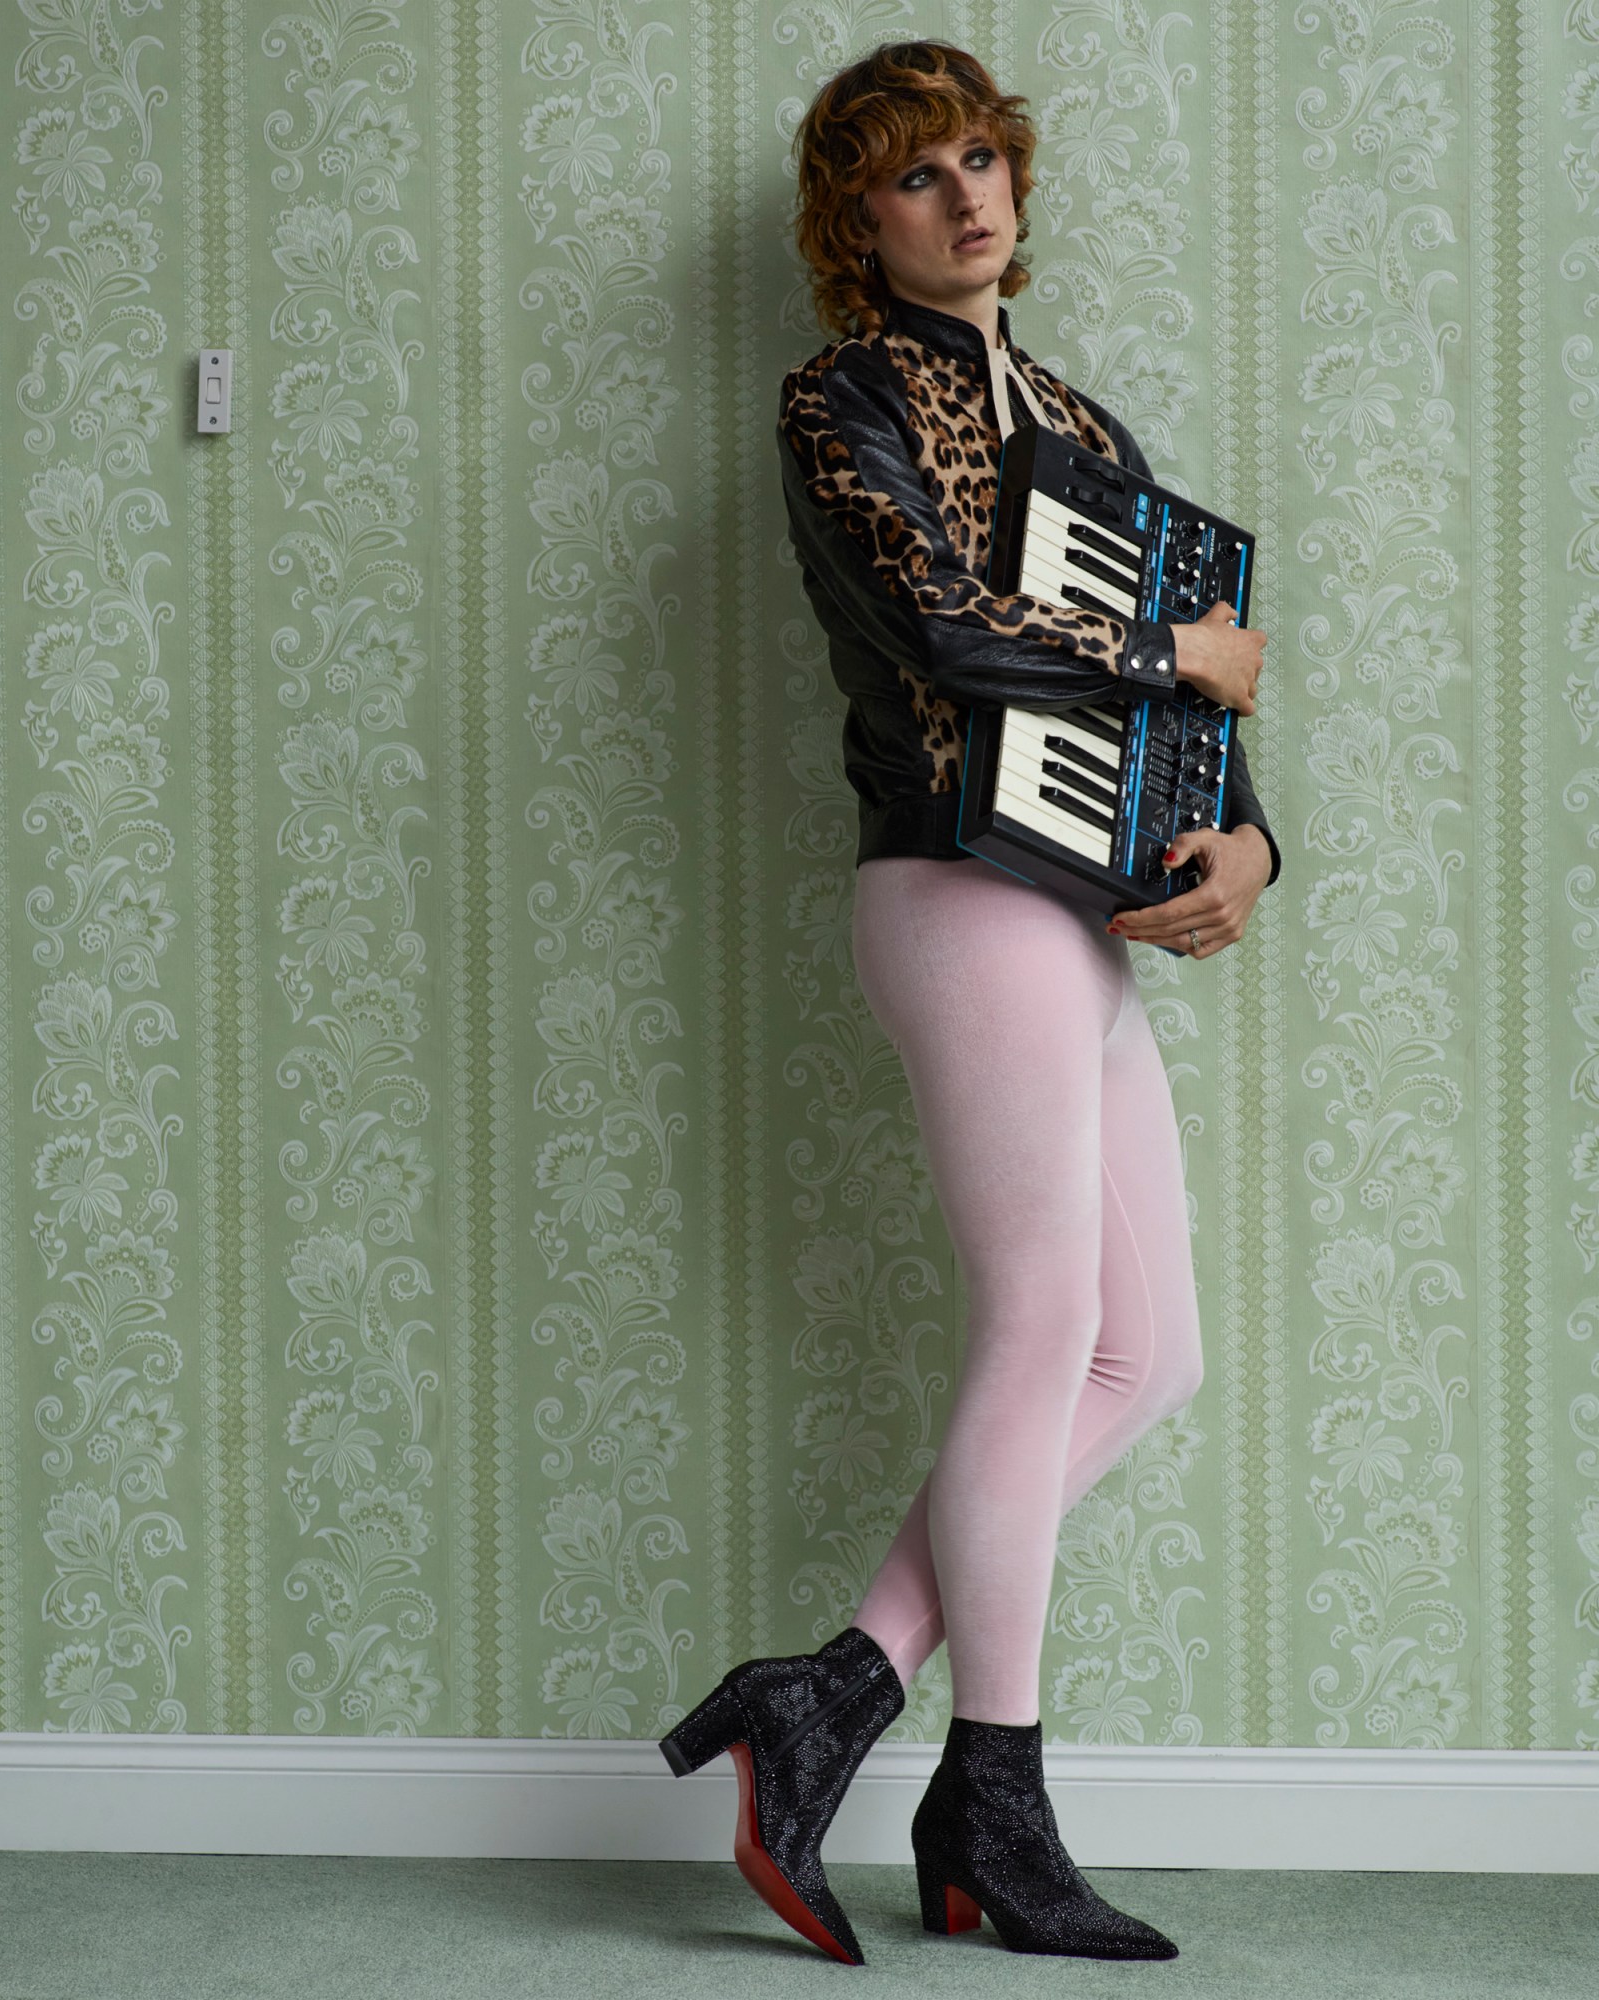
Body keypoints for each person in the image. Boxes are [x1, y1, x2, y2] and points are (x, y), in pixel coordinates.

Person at [659, 38, 1280, 1967]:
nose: (968, 195)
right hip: (957, 879)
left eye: (985, 158)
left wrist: (1250, 841)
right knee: (1045, 1324)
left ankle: (839, 1692)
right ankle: (992, 1792)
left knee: (1143, 1357)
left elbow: (1185, 711)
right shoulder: (842, 394)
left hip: (1085, 910)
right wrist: (1173, 652)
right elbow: (940, 618)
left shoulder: (1082, 421)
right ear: (859, 219)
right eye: (918, 175)